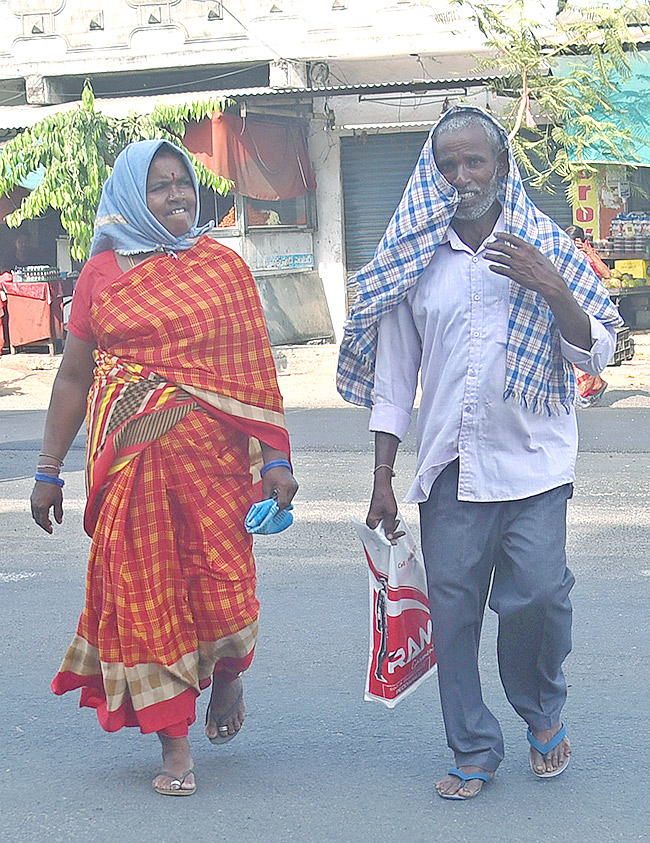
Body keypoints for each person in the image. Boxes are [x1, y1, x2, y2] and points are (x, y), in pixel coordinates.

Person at [337, 106, 622, 800]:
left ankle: (542, 711)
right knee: (455, 616)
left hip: (535, 464)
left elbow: (600, 348)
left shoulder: (541, 245)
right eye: (448, 164)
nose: (462, 176)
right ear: (432, 173)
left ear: (501, 166)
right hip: (450, 468)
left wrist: (551, 285)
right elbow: (396, 376)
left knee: (541, 599)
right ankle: (472, 746)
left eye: (475, 162)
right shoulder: (415, 255)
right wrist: (382, 474)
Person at [30, 139, 298, 797]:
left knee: (223, 593)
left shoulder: (222, 269)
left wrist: (277, 460)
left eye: (183, 182)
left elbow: (252, 372)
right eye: (160, 186)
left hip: (215, 472)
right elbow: (72, 378)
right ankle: (174, 743)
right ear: (130, 198)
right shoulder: (100, 274)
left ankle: (228, 672)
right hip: (130, 473)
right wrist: (47, 468)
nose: (178, 194)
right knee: (148, 600)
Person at [564, 224, 612, 407]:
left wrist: (589, 253)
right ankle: (592, 387)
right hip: (574, 308)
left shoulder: (590, 255)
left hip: (592, 309)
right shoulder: (566, 255)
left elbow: (606, 274)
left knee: (586, 348)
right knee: (577, 348)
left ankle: (588, 390)